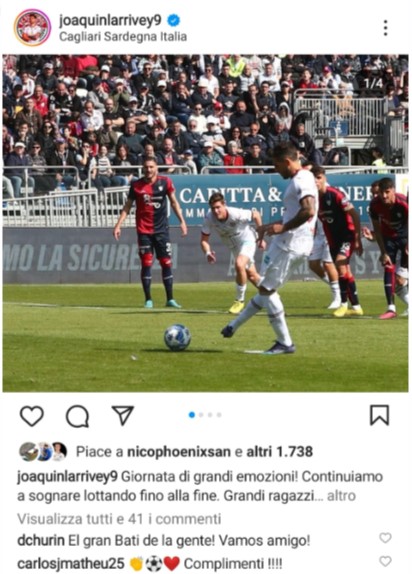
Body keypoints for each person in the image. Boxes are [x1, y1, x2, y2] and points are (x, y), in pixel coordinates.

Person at [221, 142, 318, 354]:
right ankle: (233, 326)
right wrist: (270, 226)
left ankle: (285, 342)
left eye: (277, 165)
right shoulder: (301, 178)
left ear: (287, 162)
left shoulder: (302, 179)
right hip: (287, 242)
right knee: (265, 288)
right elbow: (295, 213)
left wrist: (283, 227)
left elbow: (308, 210)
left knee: (266, 289)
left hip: (292, 244)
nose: (276, 169)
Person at [113, 157, 187, 308]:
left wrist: (182, 221)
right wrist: (118, 225)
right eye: (146, 167)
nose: (149, 169)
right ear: (143, 168)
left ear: (156, 168)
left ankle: (170, 299)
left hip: (162, 231)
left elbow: (174, 202)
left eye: (151, 167)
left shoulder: (165, 182)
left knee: (166, 262)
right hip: (144, 231)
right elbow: (127, 206)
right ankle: (148, 299)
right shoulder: (136, 185)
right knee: (146, 263)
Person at [311, 165, 364, 318]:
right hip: (332, 240)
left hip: (347, 236)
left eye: (319, 178)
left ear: (324, 178)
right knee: (345, 271)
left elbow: (355, 215)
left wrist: (357, 238)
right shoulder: (313, 200)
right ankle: (357, 307)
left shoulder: (335, 194)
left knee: (340, 265)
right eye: (313, 179)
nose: (316, 182)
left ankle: (343, 304)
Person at [201, 192, 264, 314]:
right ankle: (272, 295)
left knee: (239, 264)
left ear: (224, 204)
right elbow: (204, 240)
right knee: (252, 276)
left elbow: (256, 215)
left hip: (248, 240)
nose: (216, 211)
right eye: (213, 208)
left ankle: (239, 301)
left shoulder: (235, 213)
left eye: (218, 207)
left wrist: (260, 237)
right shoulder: (209, 218)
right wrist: (207, 253)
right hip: (234, 247)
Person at [368, 177, 408, 318]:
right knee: (389, 268)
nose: (384, 196)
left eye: (387, 192)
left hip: (405, 238)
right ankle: (391, 309)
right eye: (381, 193)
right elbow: (377, 230)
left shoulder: (403, 203)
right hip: (389, 239)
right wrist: (383, 251)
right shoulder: (374, 205)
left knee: (400, 280)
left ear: (393, 191)